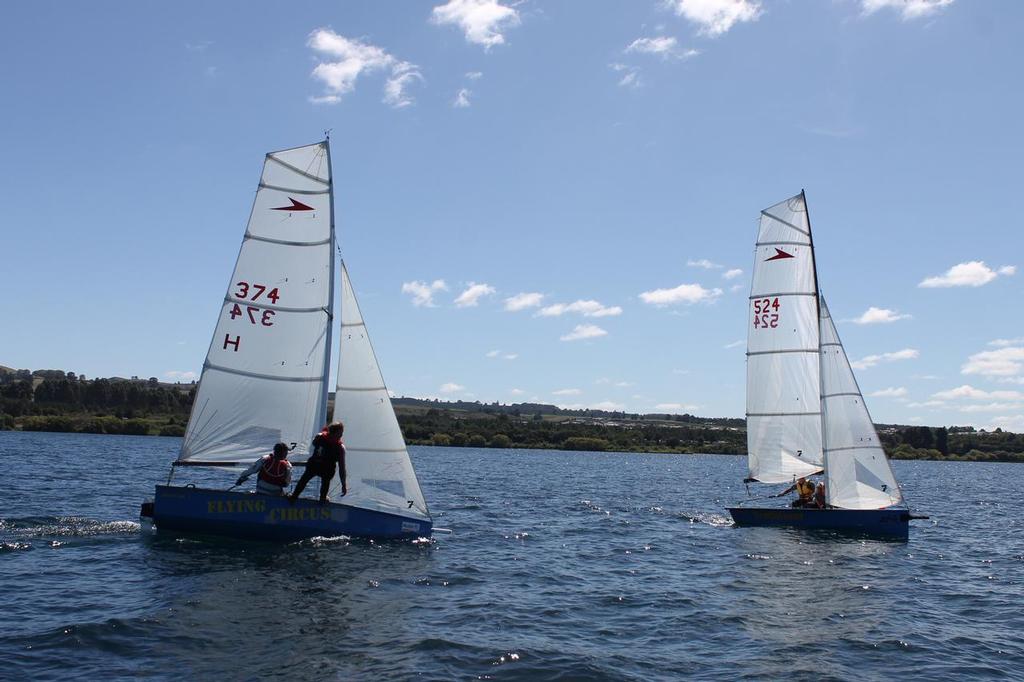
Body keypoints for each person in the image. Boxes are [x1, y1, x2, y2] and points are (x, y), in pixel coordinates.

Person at [289, 422, 347, 505]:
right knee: (305, 479)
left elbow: (342, 468)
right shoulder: (339, 447)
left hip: (323, 468)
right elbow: (342, 468)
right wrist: (344, 485)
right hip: (316, 466)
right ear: (333, 432)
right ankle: (295, 497)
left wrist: (343, 484)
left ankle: (321, 498)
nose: (341, 435)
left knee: (323, 479)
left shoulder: (320, 437)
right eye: (340, 433)